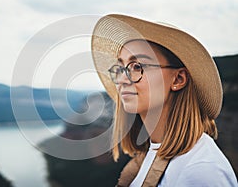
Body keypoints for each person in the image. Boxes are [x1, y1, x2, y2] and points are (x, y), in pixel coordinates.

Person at [91, 14, 237, 186]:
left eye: (137, 66)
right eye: (121, 67)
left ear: (178, 79)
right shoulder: (153, 154)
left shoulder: (201, 171)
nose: (122, 79)